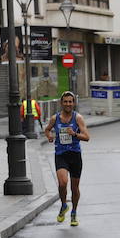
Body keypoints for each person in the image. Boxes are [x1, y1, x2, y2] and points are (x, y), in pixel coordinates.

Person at [43, 91, 90, 227]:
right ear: (61, 103)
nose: (68, 104)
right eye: (66, 101)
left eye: (70, 101)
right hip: (61, 154)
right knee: (63, 183)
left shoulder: (78, 118)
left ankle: (74, 212)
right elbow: (47, 130)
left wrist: (74, 134)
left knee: (74, 188)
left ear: (74, 103)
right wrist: (49, 136)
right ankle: (64, 205)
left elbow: (87, 137)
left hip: (75, 155)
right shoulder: (55, 118)